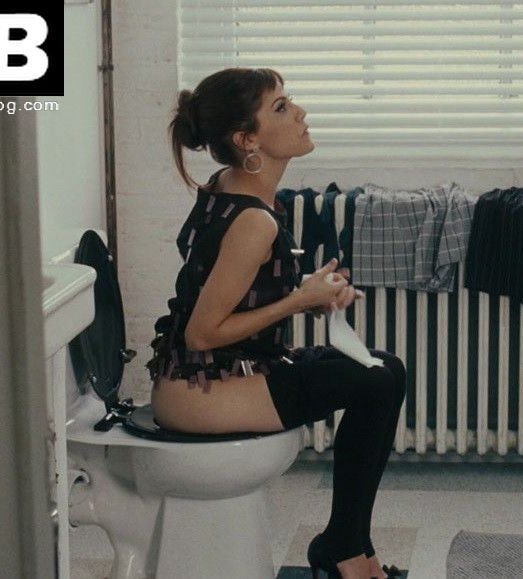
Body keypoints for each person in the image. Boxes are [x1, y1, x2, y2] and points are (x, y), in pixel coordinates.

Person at [146, 67, 407, 579]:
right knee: (377, 383)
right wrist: (296, 301)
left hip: (210, 374)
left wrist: (309, 294)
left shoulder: (231, 188)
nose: (300, 113)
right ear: (248, 140)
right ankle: (345, 552)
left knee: (385, 370)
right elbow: (202, 332)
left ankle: (349, 547)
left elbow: (225, 285)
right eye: (281, 107)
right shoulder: (253, 220)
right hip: (203, 390)